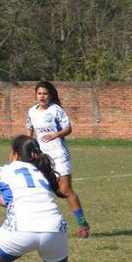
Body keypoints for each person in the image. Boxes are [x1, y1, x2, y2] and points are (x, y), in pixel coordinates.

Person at [26, 81, 90, 238]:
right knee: (41, 190)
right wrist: (29, 148)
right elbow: (29, 131)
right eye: (39, 93)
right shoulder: (32, 112)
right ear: (36, 95)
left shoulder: (56, 110)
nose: (42, 96)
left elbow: (68, 128)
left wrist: (55, 134)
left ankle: (83, 225)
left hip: (59, 155)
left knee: (65, 190)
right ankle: (44, 225)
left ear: (51, 95)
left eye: (45, 94)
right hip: (42, 157)